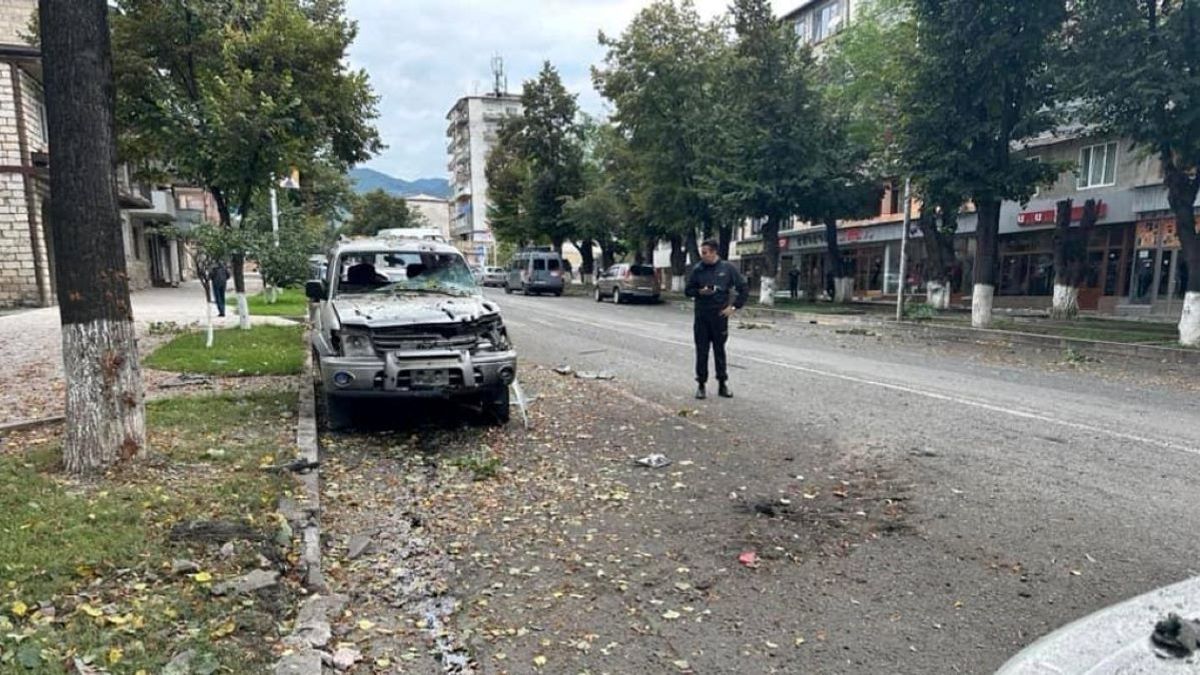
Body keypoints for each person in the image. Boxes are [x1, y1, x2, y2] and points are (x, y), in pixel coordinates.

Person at [685, 240, 749, 400]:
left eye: (705, 252)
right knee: (702, 351)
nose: (703, 255)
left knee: (719, 350)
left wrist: (733, 307)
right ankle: (701, 384)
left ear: (714, 252)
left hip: (719, 317)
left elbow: (743, 289)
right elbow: (688, 290)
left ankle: (722, 384)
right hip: (702, 316)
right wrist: (700, 292)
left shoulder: (727, 268)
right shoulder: (698, 269)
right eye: (702, 252)